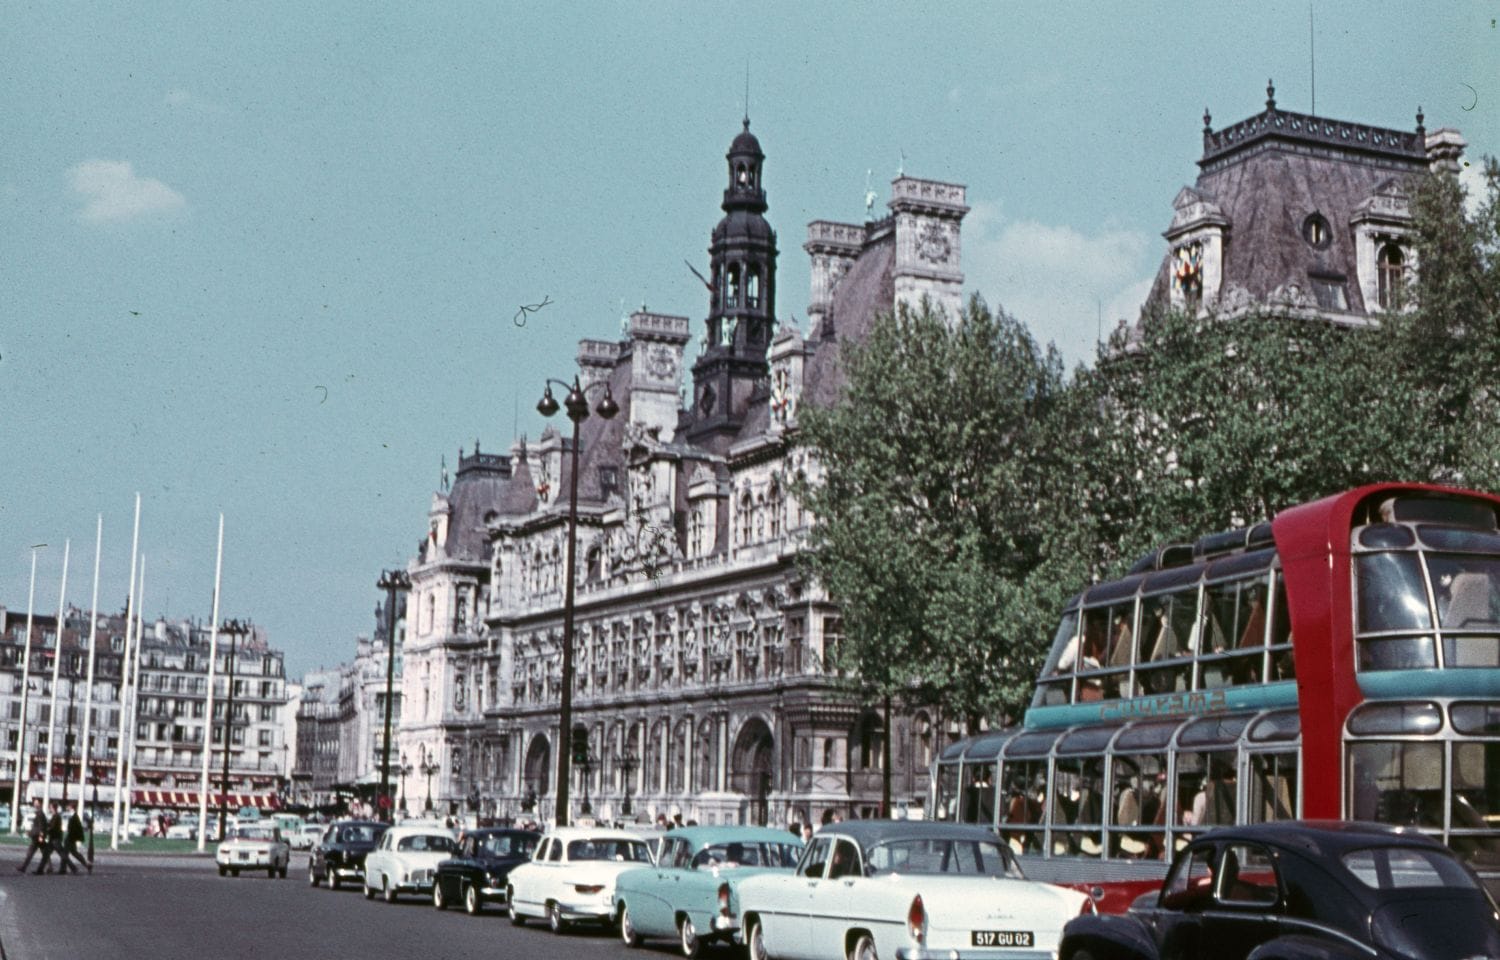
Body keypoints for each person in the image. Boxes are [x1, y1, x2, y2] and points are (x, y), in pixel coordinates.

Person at [17, 799, 49, 873]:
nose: (35, 804)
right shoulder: (39, 813)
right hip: (37, 836)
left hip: (37, 837)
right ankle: (41, 869)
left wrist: (40, 836)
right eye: (34, 803)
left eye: (36, 803)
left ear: (40, 804)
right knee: (45, 853)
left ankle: (24, 867)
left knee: (33, 853)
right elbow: (40, 826)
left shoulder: (39, 813)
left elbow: (41, 826)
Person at [59, 806, 87, 874]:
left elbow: (73, 829)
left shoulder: (74, 817)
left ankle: (64, 869)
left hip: (70, 838)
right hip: (71, 838)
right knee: (74, 853)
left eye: (69, 808)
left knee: (65, 854)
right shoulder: (74, 816)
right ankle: (86, 864)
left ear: (72, 808)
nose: (68, 808)